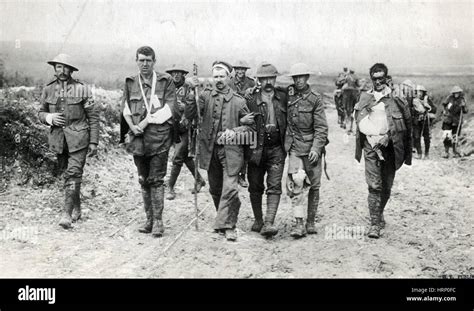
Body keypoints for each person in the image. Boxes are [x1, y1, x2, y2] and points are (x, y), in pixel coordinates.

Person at [185, 61, 253, 241]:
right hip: (209, 150)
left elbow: (250, 129)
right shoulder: (205, 96)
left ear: (229, 77)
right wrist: (192, 93)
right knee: (215, 189)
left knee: (229, 189)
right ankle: (226, 219)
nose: (219, 80)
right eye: (215, 77)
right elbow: (191, 115)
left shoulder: (239, 101)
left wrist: (235, 132)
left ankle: (227, 225)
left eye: (222, 76)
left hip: (231, 152)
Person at [119, 46, 179, 237]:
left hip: (159, 138)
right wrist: (132, 126)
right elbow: (126, 108)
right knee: (143, 179)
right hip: (137, 140)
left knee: (157, 179)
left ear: (154, 61)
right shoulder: (130, 82)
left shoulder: (165, 81)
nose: (145, 64)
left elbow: (170, 109)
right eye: (141, 60)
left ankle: (159, 222)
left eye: (148, 60)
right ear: (136, 61)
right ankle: (149, 220)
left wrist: (144, 123)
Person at [38, 53, 99, 229]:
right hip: (58, 141)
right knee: (68, 174)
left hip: (79, 139)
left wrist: (93, 142)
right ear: (54, 69)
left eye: (66, 67)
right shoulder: (48, 89)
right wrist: (49, 117)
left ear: (71, 70)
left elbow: (93, 117)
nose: (62, 71)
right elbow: (40, 112)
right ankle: (76, 206)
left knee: (73, 173)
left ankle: (66, 213)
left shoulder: (82, 89)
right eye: (59, 67)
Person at [354, 63, 412, 238]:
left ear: (387, 78)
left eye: (381, 78)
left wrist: (388, 136)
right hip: (371, 146)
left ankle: (379, 213)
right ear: (371, 79)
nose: (378, 82)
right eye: (375, 79)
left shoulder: (397, 100)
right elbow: (359, 122)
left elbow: (406, 126)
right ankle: (374, 224)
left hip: (390, 147)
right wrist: (374, 137)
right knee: (374, 185)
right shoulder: (365, 98)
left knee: (386, 186)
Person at [284, 63, 328, 238]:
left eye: (301, 77)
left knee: (314, 186)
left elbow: (321, 128)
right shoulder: (288, 95)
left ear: (307, 77)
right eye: (295, 77)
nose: (298, 80)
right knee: (297, 183)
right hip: (294, 147)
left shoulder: (315, 99)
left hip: (311, 147)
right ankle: (299, 222)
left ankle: (310, 221)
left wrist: (317, 148)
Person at [244, 62, 287, 238]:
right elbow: (240, 113)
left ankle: (269, 222)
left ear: (275, 79)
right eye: (264, 79)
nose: (268, 82)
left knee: (275, 186)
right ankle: (258, 220)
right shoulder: (250, 98)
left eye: (271, 78)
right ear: (258, 80)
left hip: (277, 147)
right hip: (255, 148)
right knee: (255, 185)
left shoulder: (284, 96)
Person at [164, 64, 205, 200]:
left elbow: (197, 106)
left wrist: (186, 106)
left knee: (177, 158)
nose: (176, 75)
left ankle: (170, 187)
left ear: (183, 75)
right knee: (185, 157)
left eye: (179, 73)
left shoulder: (189, 88)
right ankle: (199, 180)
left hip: (185, 126)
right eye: (174, 73)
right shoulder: (167, 87)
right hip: (170, 125)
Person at [230, 60, 256, 188]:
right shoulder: (229, 83)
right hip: (233, 118)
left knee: (247, 149)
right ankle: (233, 175)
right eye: (238, 69)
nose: (241, 72)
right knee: (234, 148)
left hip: (248, 118)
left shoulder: (251, 83)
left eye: (243, 69)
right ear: (235, 70)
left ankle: (242, 175)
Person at [441, 86, 468, 158]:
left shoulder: (462, 100)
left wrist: (463, 106)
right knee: (447, 136)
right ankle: (446, 152)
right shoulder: (449, 98)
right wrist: (444, 111)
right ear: (453, 93)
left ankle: (454, 151)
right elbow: (444, 105)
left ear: (459, 93)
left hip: (457, 120)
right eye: (455, 93)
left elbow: (465, 111)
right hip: (448, 119)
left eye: (457, 93)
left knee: (455, 136)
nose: (456, 94)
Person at [412, 85, 436, 159]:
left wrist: (428, 107)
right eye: (418, 91)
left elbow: (434, 109)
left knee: (427, 138)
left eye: (421, 92)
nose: (419, 93)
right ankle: (419, 153)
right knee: (416, 137)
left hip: (426, 121)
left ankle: (426, 154)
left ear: (423, 93)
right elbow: (410, 110)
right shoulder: (413, 100)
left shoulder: (427, 99)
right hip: (416, 121)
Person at [342, 69, 360, 133]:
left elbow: (344, 83)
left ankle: (347, 127)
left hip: (347, 93)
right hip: (354, 93)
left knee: (347, 110)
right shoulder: (356, 77)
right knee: (354, 110)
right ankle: (352, 127)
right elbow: (358, 85)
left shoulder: (347, 76)